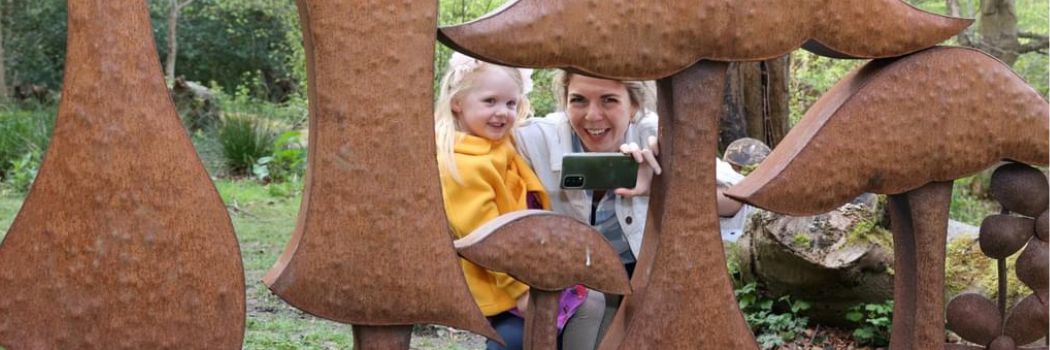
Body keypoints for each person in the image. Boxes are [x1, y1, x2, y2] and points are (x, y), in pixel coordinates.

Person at [513, 71, 748, 349]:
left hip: (638, 279)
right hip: (567, 281)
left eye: (609, 100)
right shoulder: (538, 137)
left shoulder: (658, 133)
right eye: (578, 100)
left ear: (634, 105)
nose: (592, 115)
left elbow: (736, 197)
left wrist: (662, 185)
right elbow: (469, 146)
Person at [435, 53, 599, 350]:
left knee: (588, 309)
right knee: (515, 340)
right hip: (506, 287)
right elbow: (486, 239)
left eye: (511, 104)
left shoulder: (497, 143)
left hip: (528, 268)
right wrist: (521, 292)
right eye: (490, 101)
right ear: (457, 103)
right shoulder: (462, 165)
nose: (503, 113)